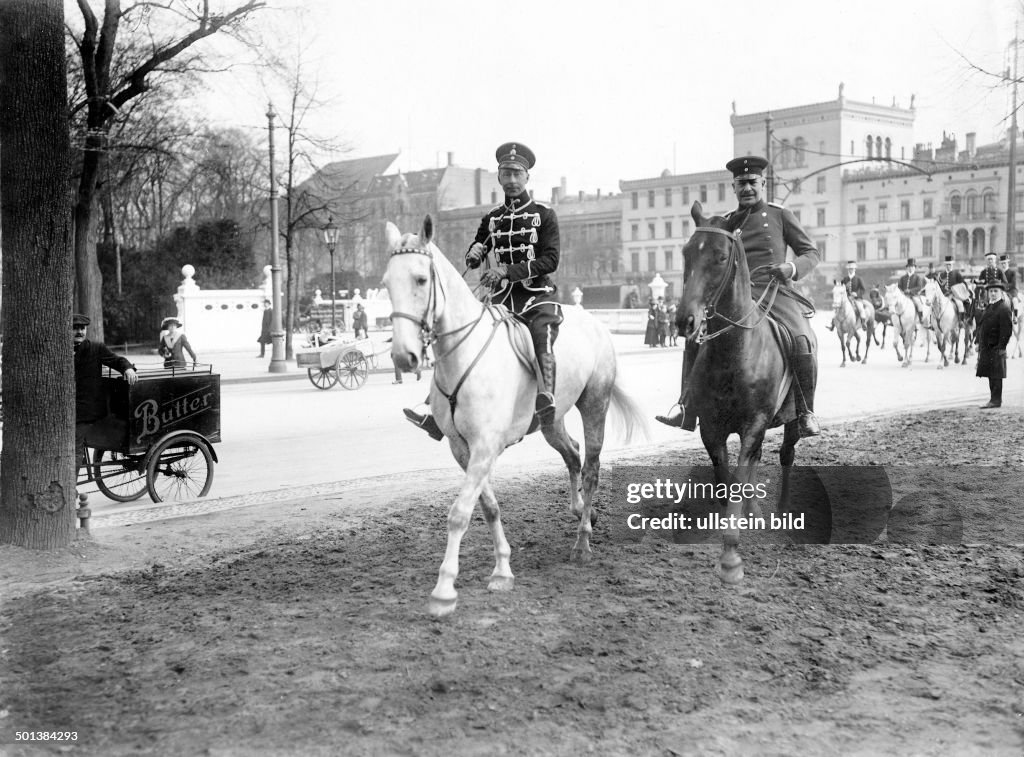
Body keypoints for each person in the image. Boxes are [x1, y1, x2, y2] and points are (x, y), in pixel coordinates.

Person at [403, 141, 562, 439]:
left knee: (541, 334)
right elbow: (476, 252)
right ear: (499, 177)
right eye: (506, 174)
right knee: (460, 339)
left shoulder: (544, 214)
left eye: (517, 174)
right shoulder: (492, 219)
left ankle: (546, 398)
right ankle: (432, 409)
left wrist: (506, 271)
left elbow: (550, 260)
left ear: (527, 177)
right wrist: (473, 254)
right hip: (499, 300)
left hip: (535, 296)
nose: (512, 180)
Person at [656, 155, 822, 438]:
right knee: (696, 338)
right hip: (734, 296)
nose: (747, 188)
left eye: (752, 182)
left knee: (801, 339)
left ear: (762, 183)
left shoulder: (780, 215)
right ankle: (686, 406)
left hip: (775, 290)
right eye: (741, 183)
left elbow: (811, 253)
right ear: (733, 187)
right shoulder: (727, 223)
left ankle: (805, 411)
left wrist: (791, 268)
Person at [74, 313, 138, 470]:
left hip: (88, 410)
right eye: (75, 328)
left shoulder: (95, 349)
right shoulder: (58, 350)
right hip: (68, 408)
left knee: (73, 445)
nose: (80, 332)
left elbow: (117, 360)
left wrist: (128, 368)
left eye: (82, 328)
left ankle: (69, 489)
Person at [974, 281, 1012, 409]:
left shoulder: (1004, 308)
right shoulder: (989, 307)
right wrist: (978, 342)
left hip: (996, 347)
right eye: (991, 291)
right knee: (991, 374)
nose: (993, 293)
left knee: (996, 375)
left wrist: (1001, 347)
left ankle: (996, 400)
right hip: (987, 346)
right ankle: (993, 399)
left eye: (996, 291)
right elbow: (982, 325)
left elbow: (1007, 330)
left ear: (1001, 293)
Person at [827, 260, 867, 331]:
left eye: (852, 269)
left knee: (860, 308)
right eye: (849, 269)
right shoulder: (845, 279)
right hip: (847, 298)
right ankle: (833, 324)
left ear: (854, 269)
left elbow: (863, 289)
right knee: (837, 309)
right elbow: (842, 289)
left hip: (856, 299)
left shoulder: (858, 279)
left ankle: (863, 323)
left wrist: (857, 294)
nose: (850, 270)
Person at [897, 258, 928, 327]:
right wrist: (902, 291)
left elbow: (919, 287)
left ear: (914, 268)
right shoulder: (903, 278)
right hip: (904, 296)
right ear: (907, 268)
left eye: (912, 267)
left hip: (914, 295)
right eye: (909, 267)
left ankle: (921, 318)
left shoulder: (917, 277)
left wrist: (910, 290)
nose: (910, 268)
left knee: (918, 304)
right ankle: (896, 319)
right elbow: (899, 286)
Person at [935, 255, 967, 320]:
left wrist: (954, 290)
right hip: (943, 296)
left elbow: (963, 284)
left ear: (952, 265)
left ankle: (961, 322)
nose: (948, 266)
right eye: (947, 264)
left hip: (954, 296)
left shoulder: (956, 274)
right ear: (945, 265)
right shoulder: (941, 275)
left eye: (950, 264)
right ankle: (933, 323)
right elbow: (939, 286)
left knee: (960, 305)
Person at [999, 254, 1018, 322]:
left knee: (1014, 300)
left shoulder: (1012, 272)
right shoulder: (1000, 273)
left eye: (1005, 263)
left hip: (1011, 291)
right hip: (1001, 291)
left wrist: (1003, 286)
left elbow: (1013, 284)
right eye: (1002, 263)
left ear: (1008, 263)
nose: (1003, 265)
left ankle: (1015, 316)